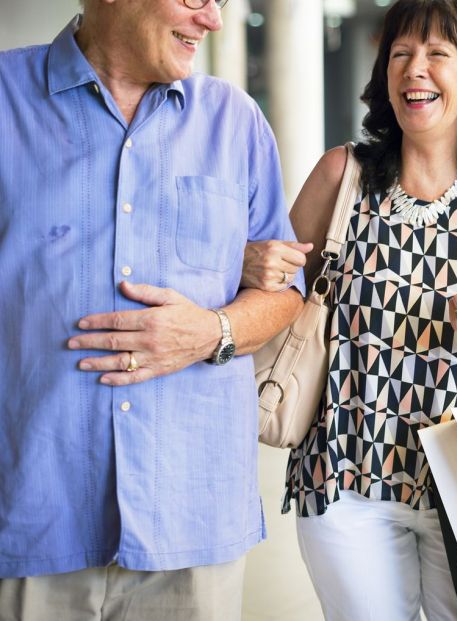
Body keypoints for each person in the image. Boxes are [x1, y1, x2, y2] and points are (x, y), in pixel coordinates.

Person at [0, 1, 305, 619]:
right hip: (35, 512)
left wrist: (213, 331)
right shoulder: (5, 100)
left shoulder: (236, 121)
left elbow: (285, 292)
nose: (213, 19)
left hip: (191, 516)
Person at [241, 0, 457, 619]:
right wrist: (252, 266)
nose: (415, 70)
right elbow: (274, 296)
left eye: (437, 54)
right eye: (401, 54)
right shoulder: (341, 175)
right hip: (345, 473)